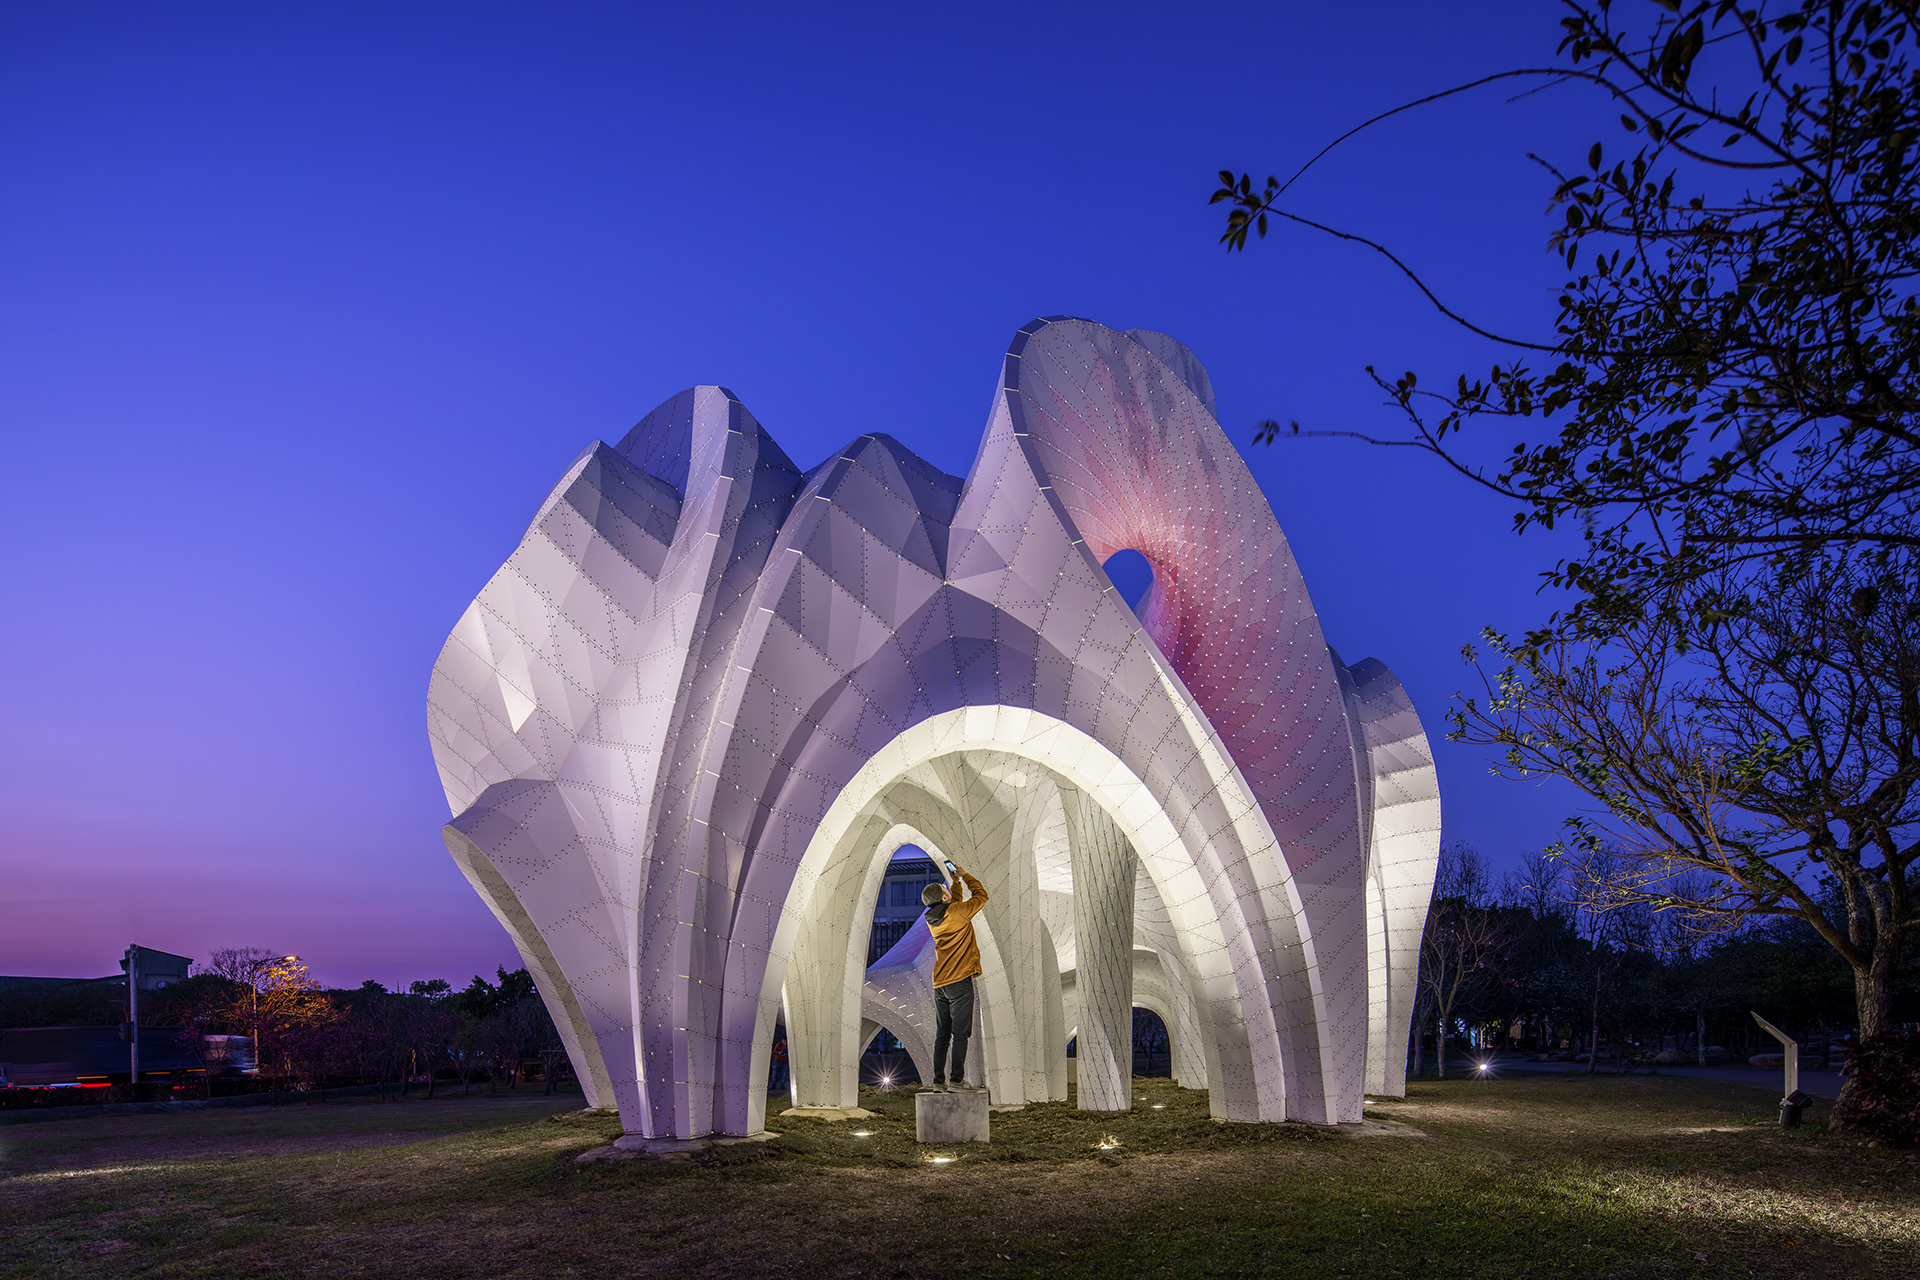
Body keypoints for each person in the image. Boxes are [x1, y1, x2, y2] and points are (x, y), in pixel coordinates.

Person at [922, 864, 989, 1093]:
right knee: (961, 1034)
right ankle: (957, 1082)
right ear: (943, 897)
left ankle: (938, 1082)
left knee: (943, 1034)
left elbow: (953, 906)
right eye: (946, 890)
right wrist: (965, 875)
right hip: (959, 981)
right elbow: (982, 896)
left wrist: (955, 884)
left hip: (940, 983)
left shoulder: (932, 919)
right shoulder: (958, 912)